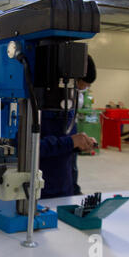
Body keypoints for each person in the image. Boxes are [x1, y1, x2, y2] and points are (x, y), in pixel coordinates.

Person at [40, 55, 97, 199]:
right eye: (81, 84)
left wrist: (81, 143)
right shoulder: (39, 107)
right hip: (43, 191)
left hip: (65, 187)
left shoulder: (71, 104)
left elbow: (67, 140)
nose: (83, 88)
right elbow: (33, 148)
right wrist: (71, 142)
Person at [72, 54, 97, 195]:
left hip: (71, 131)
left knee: (72, 167)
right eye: (84, 83)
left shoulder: (78, 94)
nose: (85, 87)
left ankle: (74, 190)